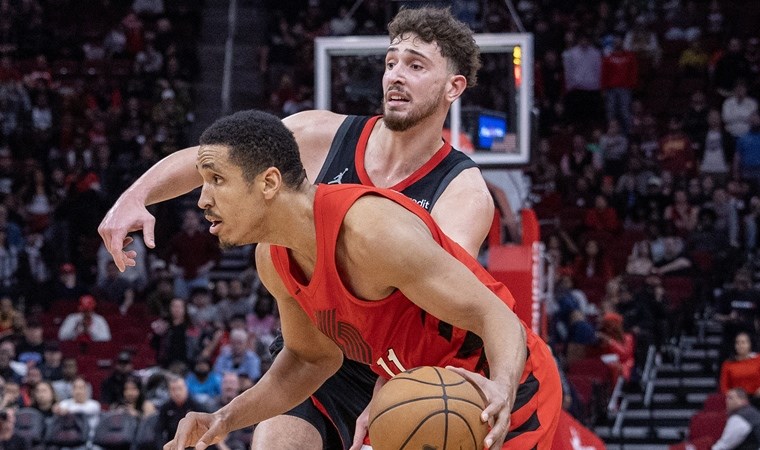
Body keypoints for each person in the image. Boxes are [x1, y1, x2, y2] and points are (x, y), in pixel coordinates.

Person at [99, 7, 496, 450]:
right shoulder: (317, 134)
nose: (395, 76)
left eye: (416, 65)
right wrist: (134, 197)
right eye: (391, 63)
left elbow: (437, 314)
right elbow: (209, 157)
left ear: (453, 86)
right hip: (322, 342)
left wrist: (390, 395)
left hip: (409, 361)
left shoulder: (463, 193)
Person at [150, 110, 560, 450]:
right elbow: (310, 360)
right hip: (420, 390)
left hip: (506, 391)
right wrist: (224, 419)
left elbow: (498, 318)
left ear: (269, 183)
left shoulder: (371, 232)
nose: (202, 199)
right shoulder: (273, 260)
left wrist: (501, 391)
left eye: (216, 180)